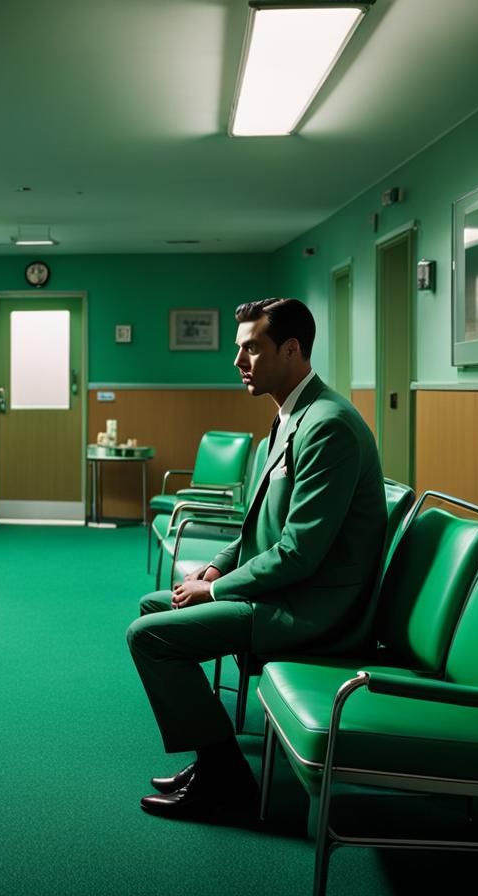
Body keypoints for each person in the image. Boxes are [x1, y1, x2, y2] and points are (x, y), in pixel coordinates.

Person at [126, 297, 386, 819]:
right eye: (238, 349)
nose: (238, 361)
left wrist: (216, 590)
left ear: (291, 350)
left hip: (312, 605)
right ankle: (213, 761)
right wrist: (218, 566)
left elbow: (299, 552)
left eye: (251, 348)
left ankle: (226, 782)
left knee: (150, 637)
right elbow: (256, 525)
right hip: (286, 587)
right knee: (157, 606)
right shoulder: (293, 415)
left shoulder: (328, 425)